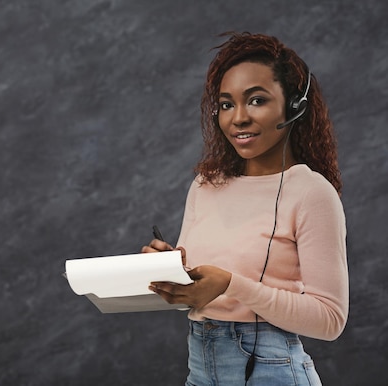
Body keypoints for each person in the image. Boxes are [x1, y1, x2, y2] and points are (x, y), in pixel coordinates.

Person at [142, 32, 348, 385]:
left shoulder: (312, 192)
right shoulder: (206, 184)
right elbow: (202, 288)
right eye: (226, 104)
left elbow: (330, 320)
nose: (238, 118)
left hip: (270, 370)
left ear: (293, 106)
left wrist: (232, 285)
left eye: (256, 100)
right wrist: (170, 271)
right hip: (201, 367)